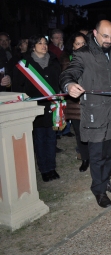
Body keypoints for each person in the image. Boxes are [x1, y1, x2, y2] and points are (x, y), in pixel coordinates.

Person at [60, 20, 111, 208]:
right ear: (95, 33)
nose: (109, 40)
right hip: (95, 112)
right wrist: (69, 84)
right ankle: (99, 190)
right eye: (105, 36)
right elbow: (69, 72)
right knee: (97, 155)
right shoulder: (82, 54)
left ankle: (106, 180)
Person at [12, 35, 61, 182]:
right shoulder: (25, 65)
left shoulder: (53, 62)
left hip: (52, 106)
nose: (44, 46)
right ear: (33, 46)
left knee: (52, 138)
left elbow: (58, 83)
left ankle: (52, 167)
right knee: (40, 139)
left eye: (45, 43)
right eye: (40, 43)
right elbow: (17, 88)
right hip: (35, 108)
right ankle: (44, 170)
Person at [60, 32, 90, 172]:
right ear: (72, 46)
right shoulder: (67, 60)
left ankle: (96, 156)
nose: (81, 46)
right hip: (76, 103)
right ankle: (85, 158)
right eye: (77, 44)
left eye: (83, 43)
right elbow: (65, 78)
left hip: (91, 101)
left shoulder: (93, 58)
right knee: (79, 133)